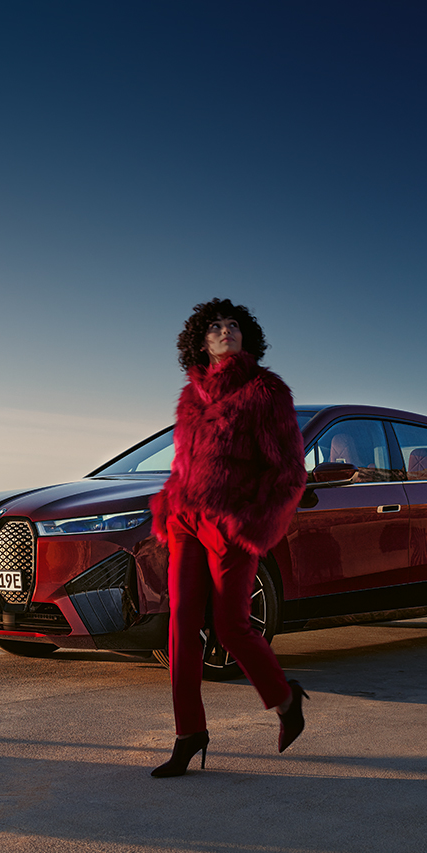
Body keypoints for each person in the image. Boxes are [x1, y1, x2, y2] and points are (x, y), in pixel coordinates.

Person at [147, 298, 310, 778]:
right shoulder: (188, 398)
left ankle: (284, 698)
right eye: (214, 326)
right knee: (180, 626)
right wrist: (170, 505)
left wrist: (255, 523)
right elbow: (182, 465)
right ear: (200, 340)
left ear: (246, 337)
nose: (224, 332)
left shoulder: (266, 391)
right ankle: (188, 733)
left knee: (231, 625)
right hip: (185, 520)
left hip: (231, 522)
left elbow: (288, 472)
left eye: (232, 325)